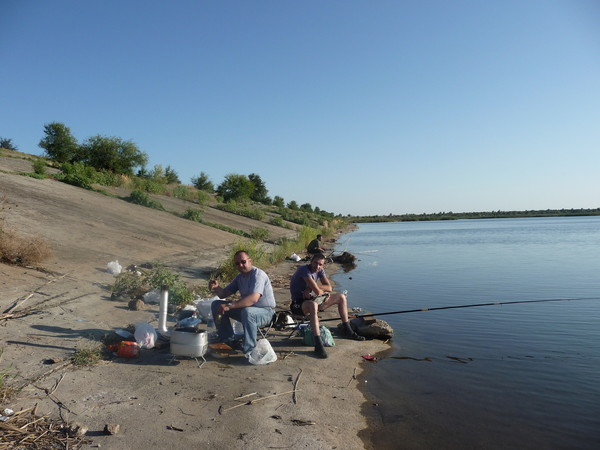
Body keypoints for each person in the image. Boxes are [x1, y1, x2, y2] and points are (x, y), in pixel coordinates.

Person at [289, 253, 365, 359]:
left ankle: (348, 330)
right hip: (297, 305)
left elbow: (329, 288)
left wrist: (313, 289)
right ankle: (318, 344)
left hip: (311, 300)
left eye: (320, 264)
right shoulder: (304, 270)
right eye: (315, 263)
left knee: (341, 297)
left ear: (323, 265)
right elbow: (318, 291)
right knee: (313, 305)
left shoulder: (320, 271)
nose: (317, 266)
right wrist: (318, 290)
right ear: (311, 261)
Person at [209, 250, 276, 356]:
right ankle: (228, 341)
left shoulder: (258, 275)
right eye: (237, 263)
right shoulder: (240, 277)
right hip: (248, 312)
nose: (240, 265)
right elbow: (224, 294)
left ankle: (250, 351)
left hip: (266, 313)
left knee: (247, 312)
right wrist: (216, 288)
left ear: (250, 261)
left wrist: (230, 306)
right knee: (216, 305)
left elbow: (253, 299)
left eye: (243, 262)